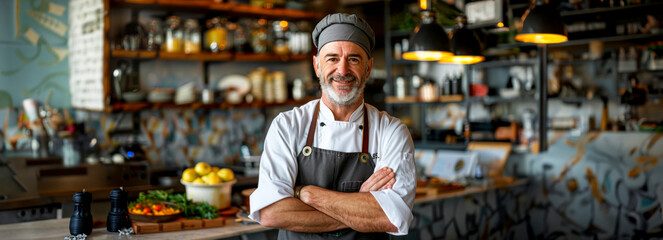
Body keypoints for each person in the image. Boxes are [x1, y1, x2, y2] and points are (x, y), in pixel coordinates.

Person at [248, 13, 416, 239]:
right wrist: (359, 205)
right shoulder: (287, 125)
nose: (343, 70)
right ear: (317, 66)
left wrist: (306, 194)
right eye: (332, 59)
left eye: (354, 59)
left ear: (368, 68)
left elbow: (391, 218)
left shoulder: (391, 131)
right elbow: (272, 213)